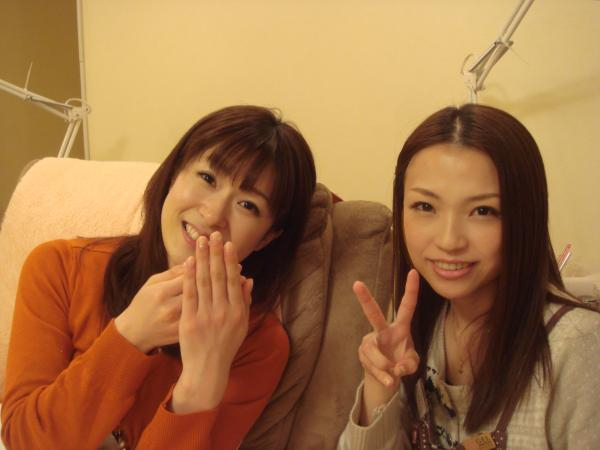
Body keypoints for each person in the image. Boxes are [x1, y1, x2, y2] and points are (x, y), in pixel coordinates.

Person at [1, 105, 316, 450]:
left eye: (248, 205)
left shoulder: (260, 344)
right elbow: (24, 442)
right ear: (174, 174)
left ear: (267, 237)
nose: (213, 215)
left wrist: (201, 380)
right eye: (207, 178)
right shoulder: (61, 267)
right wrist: (130, 334)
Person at [338, 104, 600, 449]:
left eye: (483, 211)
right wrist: (379, 386)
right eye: (425, 207)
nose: (449, 240)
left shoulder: (578, 347)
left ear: (525, 217)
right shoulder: (421, 325)